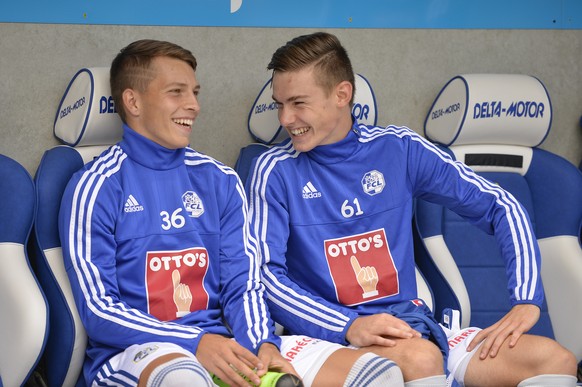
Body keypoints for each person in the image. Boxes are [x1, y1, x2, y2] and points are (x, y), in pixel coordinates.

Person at [58, 39, 406, 387]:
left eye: (195, 92)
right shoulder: (96, 186)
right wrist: (194, 343)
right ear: (132, 101)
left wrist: (262, 343)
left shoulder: (219, 180)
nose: (193, 105)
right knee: (183, 377)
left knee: (378, 373)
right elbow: (98, 309)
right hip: (139, 353)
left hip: (223, 344)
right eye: (176, 92)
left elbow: (244, 284)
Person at [246, 32, 578, 386]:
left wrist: (526, 299)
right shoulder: (274, 170)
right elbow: (264, 276)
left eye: (298, 103)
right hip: (329, 337)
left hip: (411, 327)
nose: (285, 118)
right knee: (421, 358)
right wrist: (349, 325)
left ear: (342, 94)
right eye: (279, 104)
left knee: (555, 360)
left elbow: (503, 206)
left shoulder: (399, 149)